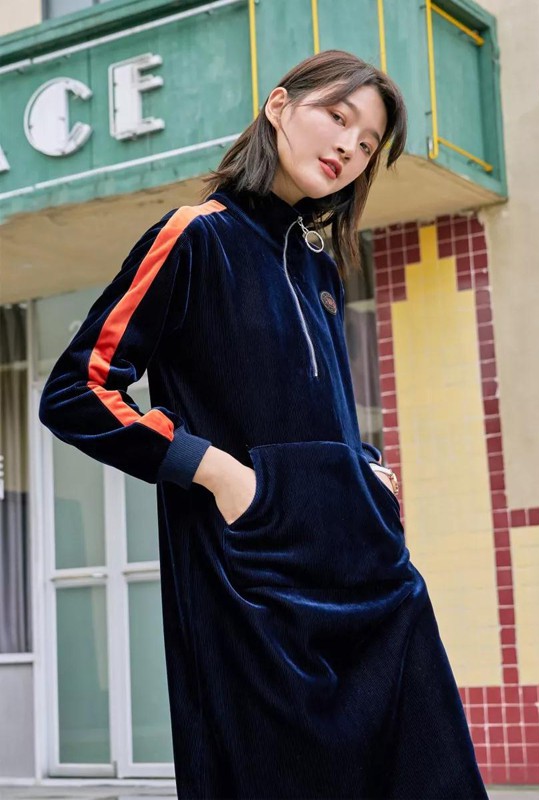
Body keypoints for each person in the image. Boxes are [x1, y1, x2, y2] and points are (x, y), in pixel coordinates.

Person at [39, 49, 489, 799]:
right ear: (279, 106)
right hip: (250, 575)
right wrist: (222, 475)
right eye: (337, 117)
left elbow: (320, 405)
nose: (348, 147)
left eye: (368, 142)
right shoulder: (195, 236)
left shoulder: (321, 267)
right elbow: (76, 392)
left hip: (365, 569)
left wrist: (362, 469)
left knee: (423, 772)